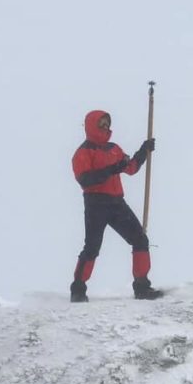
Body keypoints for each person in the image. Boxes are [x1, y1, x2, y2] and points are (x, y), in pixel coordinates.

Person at [70, 110, 161, 302]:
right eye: (100, 123)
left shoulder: (114, 149)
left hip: (116, 203)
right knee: (92, 247)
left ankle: (142, 287)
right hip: (96, 204)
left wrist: (144, 151)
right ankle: (78, 289)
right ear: (91, 125)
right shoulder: (83, 152)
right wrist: (112, 169)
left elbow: (131, 167)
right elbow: (85, 180)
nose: (105, 126)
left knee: (140, 240)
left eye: (106, 123)